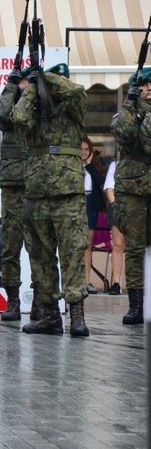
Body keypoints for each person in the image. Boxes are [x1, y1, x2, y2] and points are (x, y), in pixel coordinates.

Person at [11, 62, 90, 336]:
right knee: (40, 256)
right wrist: (33, 86)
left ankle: (77, 315)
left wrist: (46, 77)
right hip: (37, 192)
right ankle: (49, 315)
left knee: (72, 253)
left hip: (68, 193)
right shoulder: (34, 111)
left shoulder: (73, 110)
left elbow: (76, 91)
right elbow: (18, 117)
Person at [0, 67, 49, 322]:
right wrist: (11, 86)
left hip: (37, 183)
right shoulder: (11, 105)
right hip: (13, 184)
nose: (26, 84)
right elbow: (1, 115)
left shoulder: (41, 105)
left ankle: (39, 301)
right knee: (11, 247)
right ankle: (13, 301)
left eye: (29, 80)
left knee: (37, 246)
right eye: (23, 80)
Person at [110, 67, 151, 325]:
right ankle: (136, 304)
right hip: (132, 191)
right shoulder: (125, 113)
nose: (149, 90)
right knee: (135, 249)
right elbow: (122, 131)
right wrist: (129, 104)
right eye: (144, 86)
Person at [81, 135, 106, 294]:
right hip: (75, 202)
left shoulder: (94, 167)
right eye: (81, 149)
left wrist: (89, 166)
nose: (83, 152)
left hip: (90, 204)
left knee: (87, 245)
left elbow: (101, 183)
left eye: (86, 149)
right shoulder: (70, 166)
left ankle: (86, 282)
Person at [103, 160, 124, 295]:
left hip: (141, 207)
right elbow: (109, 188)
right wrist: (117, 208)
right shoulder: (115, 164)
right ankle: (116, 283)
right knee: (117, 245)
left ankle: (140, 286)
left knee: (141, 247)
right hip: (119, 207)